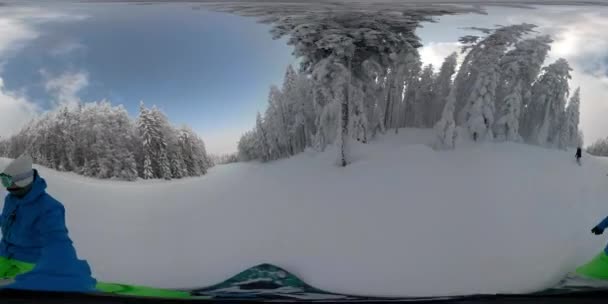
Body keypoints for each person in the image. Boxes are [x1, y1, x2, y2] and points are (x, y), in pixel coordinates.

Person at [0, 154, 96, 292]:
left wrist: (63, 270)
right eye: (3, 181)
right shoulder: (12, 198)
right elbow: (7, 218)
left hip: (27, 263)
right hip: (4, 255)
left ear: (24, 181)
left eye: (8, 181)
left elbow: (57, 242)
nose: (6, 187)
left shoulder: (49, 208)